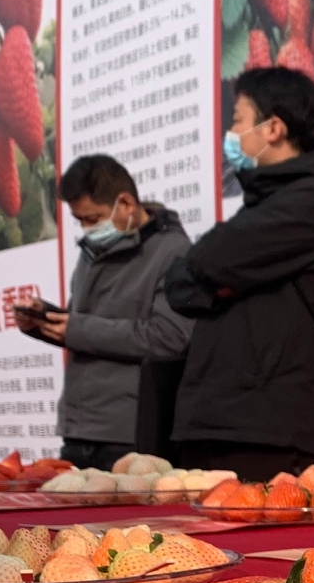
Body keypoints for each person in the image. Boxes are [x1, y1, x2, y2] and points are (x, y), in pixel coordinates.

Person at [164, 66, 314, 479]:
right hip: (219, 423)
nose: (231, 134)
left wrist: (214, 279)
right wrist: (219, 287)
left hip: (267, 431)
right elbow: (178, 284)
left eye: (237, 120)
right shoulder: (264, 204)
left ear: (273, 129)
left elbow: (209, 257)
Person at [13, 155, 192, 471]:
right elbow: (89, 327)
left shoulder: (173, 251)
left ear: (125, 204)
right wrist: (45, 322)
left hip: (129, 435)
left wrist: (77, 329)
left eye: (92, 219)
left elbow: (169, 338)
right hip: (78, 429)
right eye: (79, 220)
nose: (86, 229)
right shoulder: (91, 252)